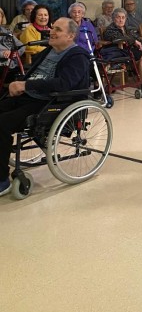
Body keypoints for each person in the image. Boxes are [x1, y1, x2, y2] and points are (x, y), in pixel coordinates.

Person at [0, 17, 90, 196]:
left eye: (58, 29)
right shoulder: (49, 50)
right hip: (29, 96)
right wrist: (19, 84)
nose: (51, 31)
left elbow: (63, 84)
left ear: (71, 36)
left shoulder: (78, 56)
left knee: (2, 124)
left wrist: (25, 85)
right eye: (52, 28)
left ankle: (2, 180)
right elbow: (32, 74)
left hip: (49, 103)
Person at [103, 8, 142, 91]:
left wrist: (141, 44)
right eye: (118, 17)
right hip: (121, 51)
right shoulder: (110, 29)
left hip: (131, 49)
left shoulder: (127, 28)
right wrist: (134, 41)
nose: (121, 20)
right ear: (114, 19)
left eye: (123, 17)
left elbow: (136, 37)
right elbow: (119, 38)